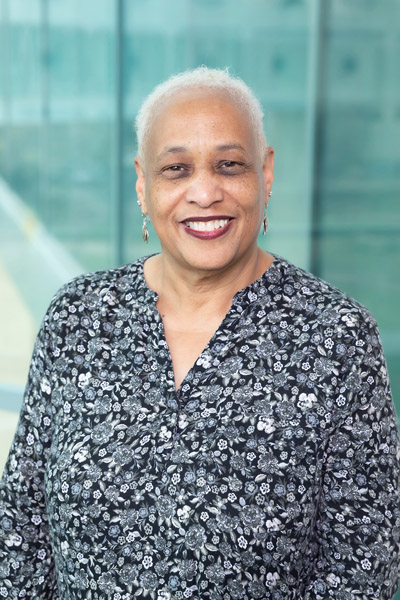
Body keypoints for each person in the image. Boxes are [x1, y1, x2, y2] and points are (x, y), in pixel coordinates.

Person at [0, 66, 399, 600]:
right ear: (143, 183)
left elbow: (363, 566)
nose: (204, 192)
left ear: (267, 172)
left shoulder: (338, 336)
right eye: (177, 169)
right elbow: (21, 530)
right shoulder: (77, 317)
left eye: (230, 165)